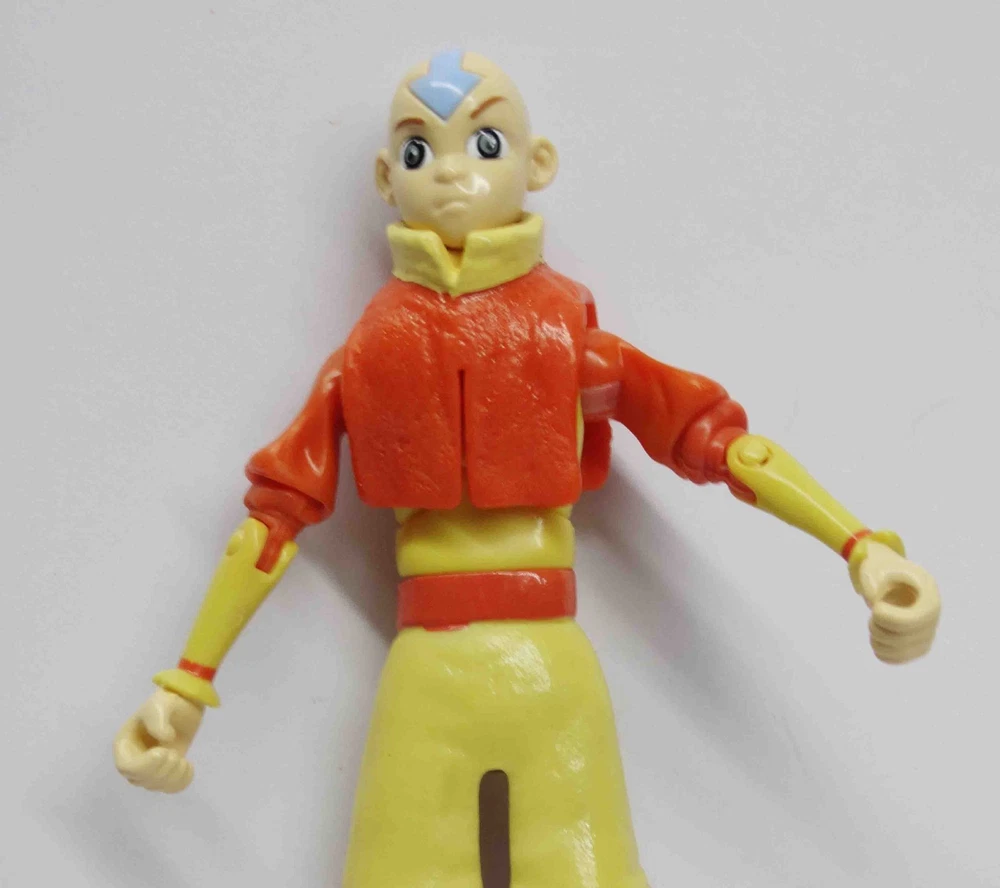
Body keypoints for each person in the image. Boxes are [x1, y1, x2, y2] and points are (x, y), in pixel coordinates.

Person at [113, 50, 940, 888]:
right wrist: (185, 685)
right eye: (417, 150)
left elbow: (715, 441)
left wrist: (861, 547)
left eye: (484, 144)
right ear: (385, 177)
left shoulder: (573, 344)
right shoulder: (368, 356)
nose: (449, 173)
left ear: (537, 164)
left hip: (549, 668)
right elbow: (272, 521)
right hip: (428, 672)